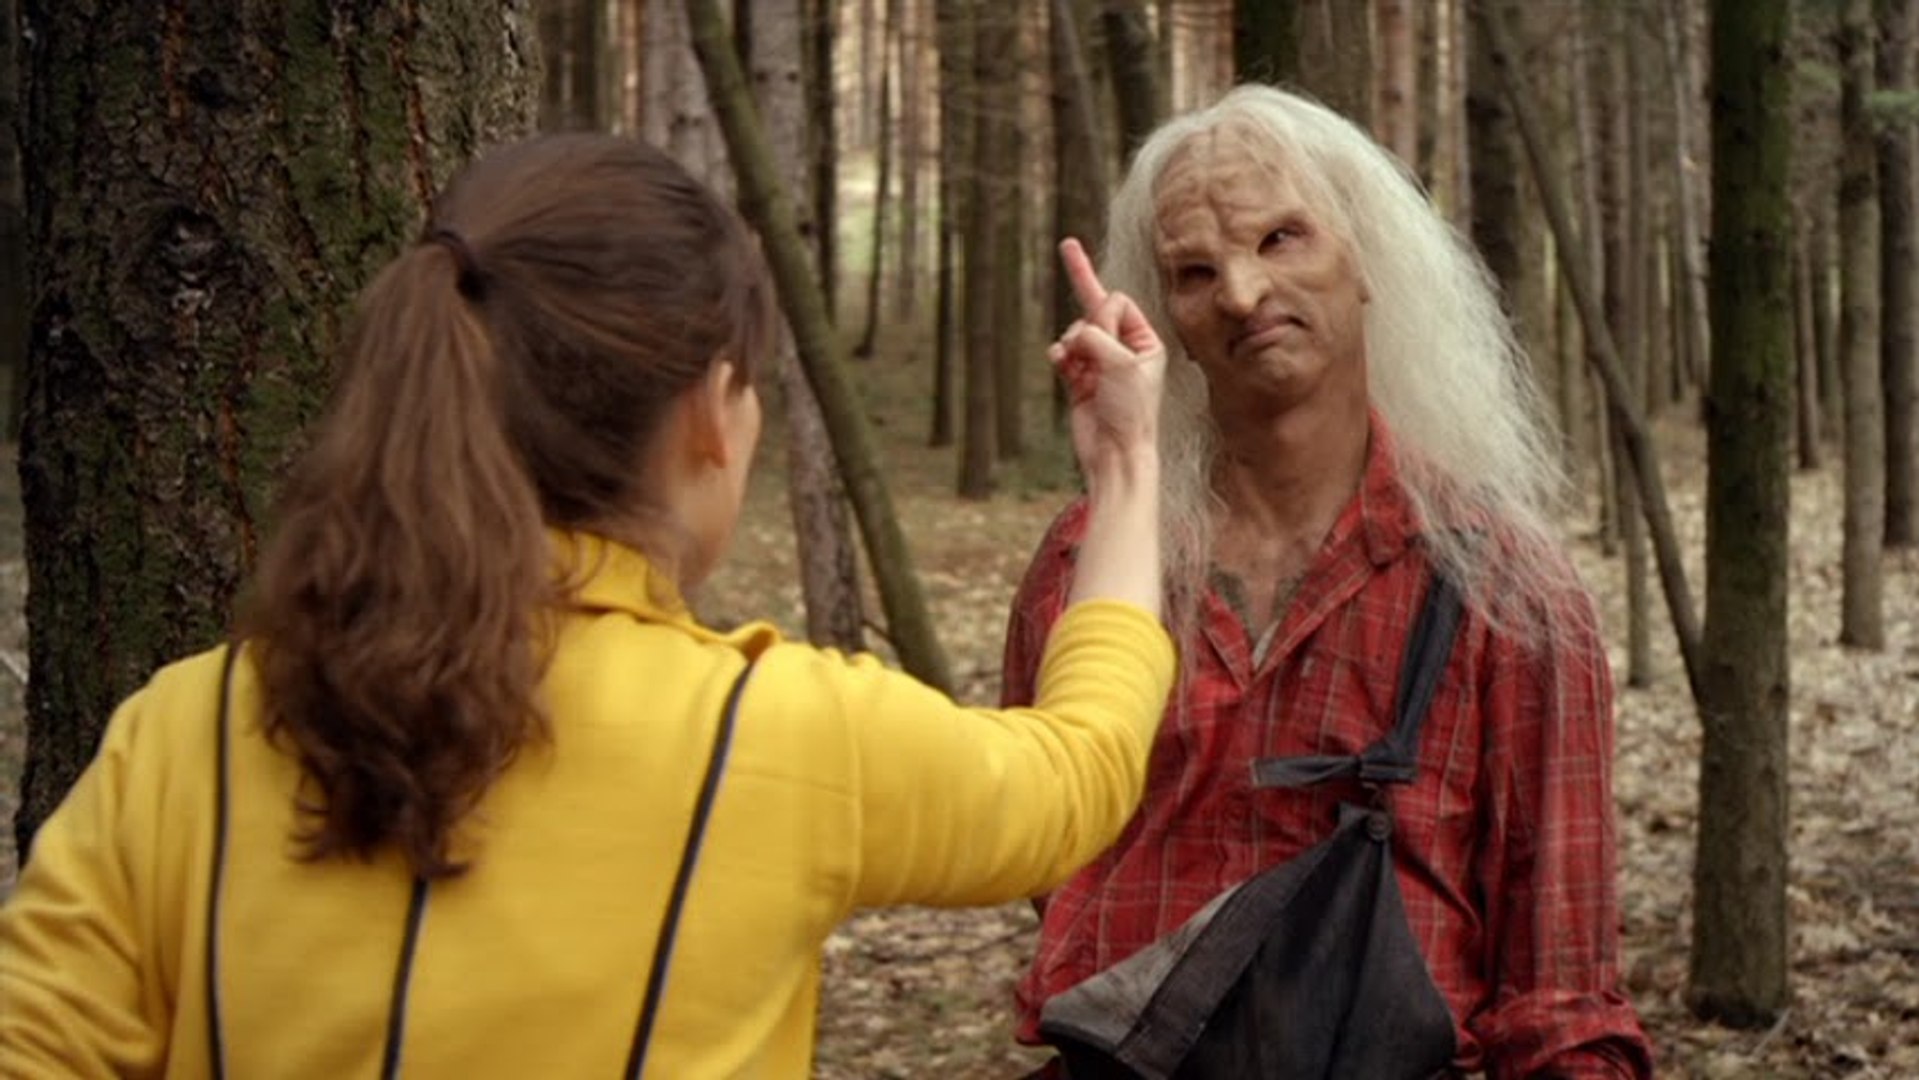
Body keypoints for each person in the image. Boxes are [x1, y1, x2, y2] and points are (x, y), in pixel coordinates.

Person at [0, 134, 1176, 1079]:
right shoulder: (779, 737)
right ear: (710, 412)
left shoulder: (185, 731)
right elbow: (1073, 773)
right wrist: (1126, 466)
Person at [1002, 85, 1654, 1077]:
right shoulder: (1085, 565)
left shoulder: (1504, 585)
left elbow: (1560, 1000)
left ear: (1366, 262)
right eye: (1194, 271)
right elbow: (1043, 856)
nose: (1240, 293)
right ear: (1166, 319)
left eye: (1280, 239)